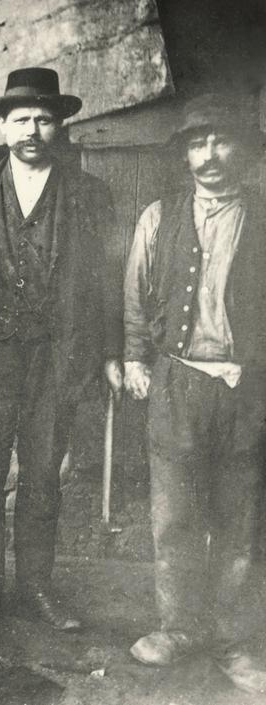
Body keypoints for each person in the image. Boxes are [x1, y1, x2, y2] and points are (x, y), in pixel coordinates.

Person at [0, 67, 122, 631]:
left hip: (56, 359)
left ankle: (37, 589)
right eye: (20, 120)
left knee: (42, 478)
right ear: (3, 127)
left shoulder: (90, 194)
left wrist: (110, 351)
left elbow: (109, 280)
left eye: (43, 119)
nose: (31, 130)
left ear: (59, 126)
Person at [122, 93, 266, 693]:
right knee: (175, 516)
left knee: (240, 519)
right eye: (196, 143)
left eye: (220, 140)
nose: (209, 155)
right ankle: (179, 628)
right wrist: (133, 356)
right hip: (177, 381)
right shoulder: (159, 216)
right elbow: (134, 291)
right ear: (183, 154)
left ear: (243, 148)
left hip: (247, 386)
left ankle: (235, 639)